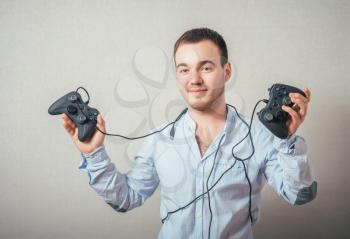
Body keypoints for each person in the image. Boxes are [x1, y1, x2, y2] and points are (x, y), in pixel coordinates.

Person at [61, 28, 317, 239]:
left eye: (205, 68)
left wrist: (287, 142)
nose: (194, 79)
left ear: (226, 72)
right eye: (184, 69)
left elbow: (299, 195)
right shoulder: (159, 139)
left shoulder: (260, 136)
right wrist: (94, 154)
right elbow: (126, 199)